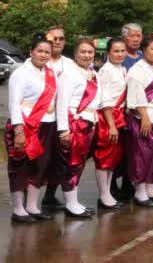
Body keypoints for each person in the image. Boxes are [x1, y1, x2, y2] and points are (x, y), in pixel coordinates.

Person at [6, 35, 59, 223]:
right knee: (20, 166)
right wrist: (18, 130)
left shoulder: (49, 73)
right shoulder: (21, 73)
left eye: (47, 52)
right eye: (40, 51)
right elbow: (14, 103)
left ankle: (32, 206)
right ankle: (19, 208)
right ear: (31, 51)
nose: (43, 55)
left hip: (47, 124)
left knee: (40, 165)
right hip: (26, 124)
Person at [55, 38, 100, 218]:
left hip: (89, 123)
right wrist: (64, 130)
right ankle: (71, 204)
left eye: (90, 52)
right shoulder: (69, 74)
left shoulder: (93, 74)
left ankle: (74, 201)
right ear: (75, 54)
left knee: (79, 164)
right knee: (71, 164)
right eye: (83, 52)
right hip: (74, 122)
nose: (87, 55)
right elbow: (62, 103)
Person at [125, 35, 153, 207]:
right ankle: (140, 191)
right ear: (144, 51)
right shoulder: (137, 70)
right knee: (143, 154)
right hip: (145, 115)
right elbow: (136, 94)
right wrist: (144, 116)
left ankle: (151, 188)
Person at [39, 26, 72, 211]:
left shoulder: (70, 64)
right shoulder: (38, 60)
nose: (57, 42)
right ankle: (28, 201)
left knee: (61, 160)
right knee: (37, 160)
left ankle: (50, 196)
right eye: (53, 40)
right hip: (42, 119)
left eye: (60, 39)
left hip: (63, 118)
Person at [95, 36, 128, 210]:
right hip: (108, 117)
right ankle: (104, 194)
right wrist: (111, 125)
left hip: (120, 116)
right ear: (108, 52)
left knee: (113, 157)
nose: (120, 54)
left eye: (122, 51)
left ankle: (108, 192)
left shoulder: (122, 69)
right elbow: (105, 99)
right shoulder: (105, 71)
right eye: (116, 51)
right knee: (104, 157)